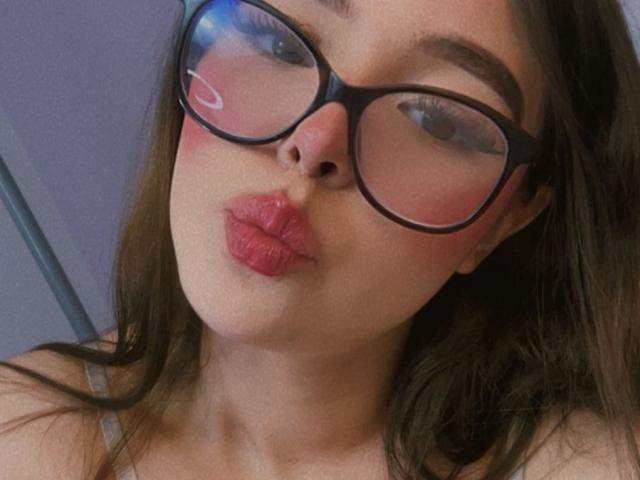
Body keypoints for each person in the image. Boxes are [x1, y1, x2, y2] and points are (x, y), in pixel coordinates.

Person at [1, 0, 639, 478]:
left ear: (508, 219)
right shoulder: (19, 438)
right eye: (275, 41)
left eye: (436, 120)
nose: (314, 141)